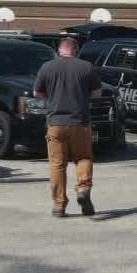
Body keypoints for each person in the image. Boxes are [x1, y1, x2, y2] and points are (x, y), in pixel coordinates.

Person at [33, 35, 104, 218]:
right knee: (84, 157)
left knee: (57, 164)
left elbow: (37, 93)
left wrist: (52, 98)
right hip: (80, 122)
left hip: (55, 122)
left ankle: (59, 206)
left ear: (60, 50)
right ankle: (83, 188)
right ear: (76, 50)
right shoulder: (86, 67)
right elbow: (96, 94)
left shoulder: (47, 67)